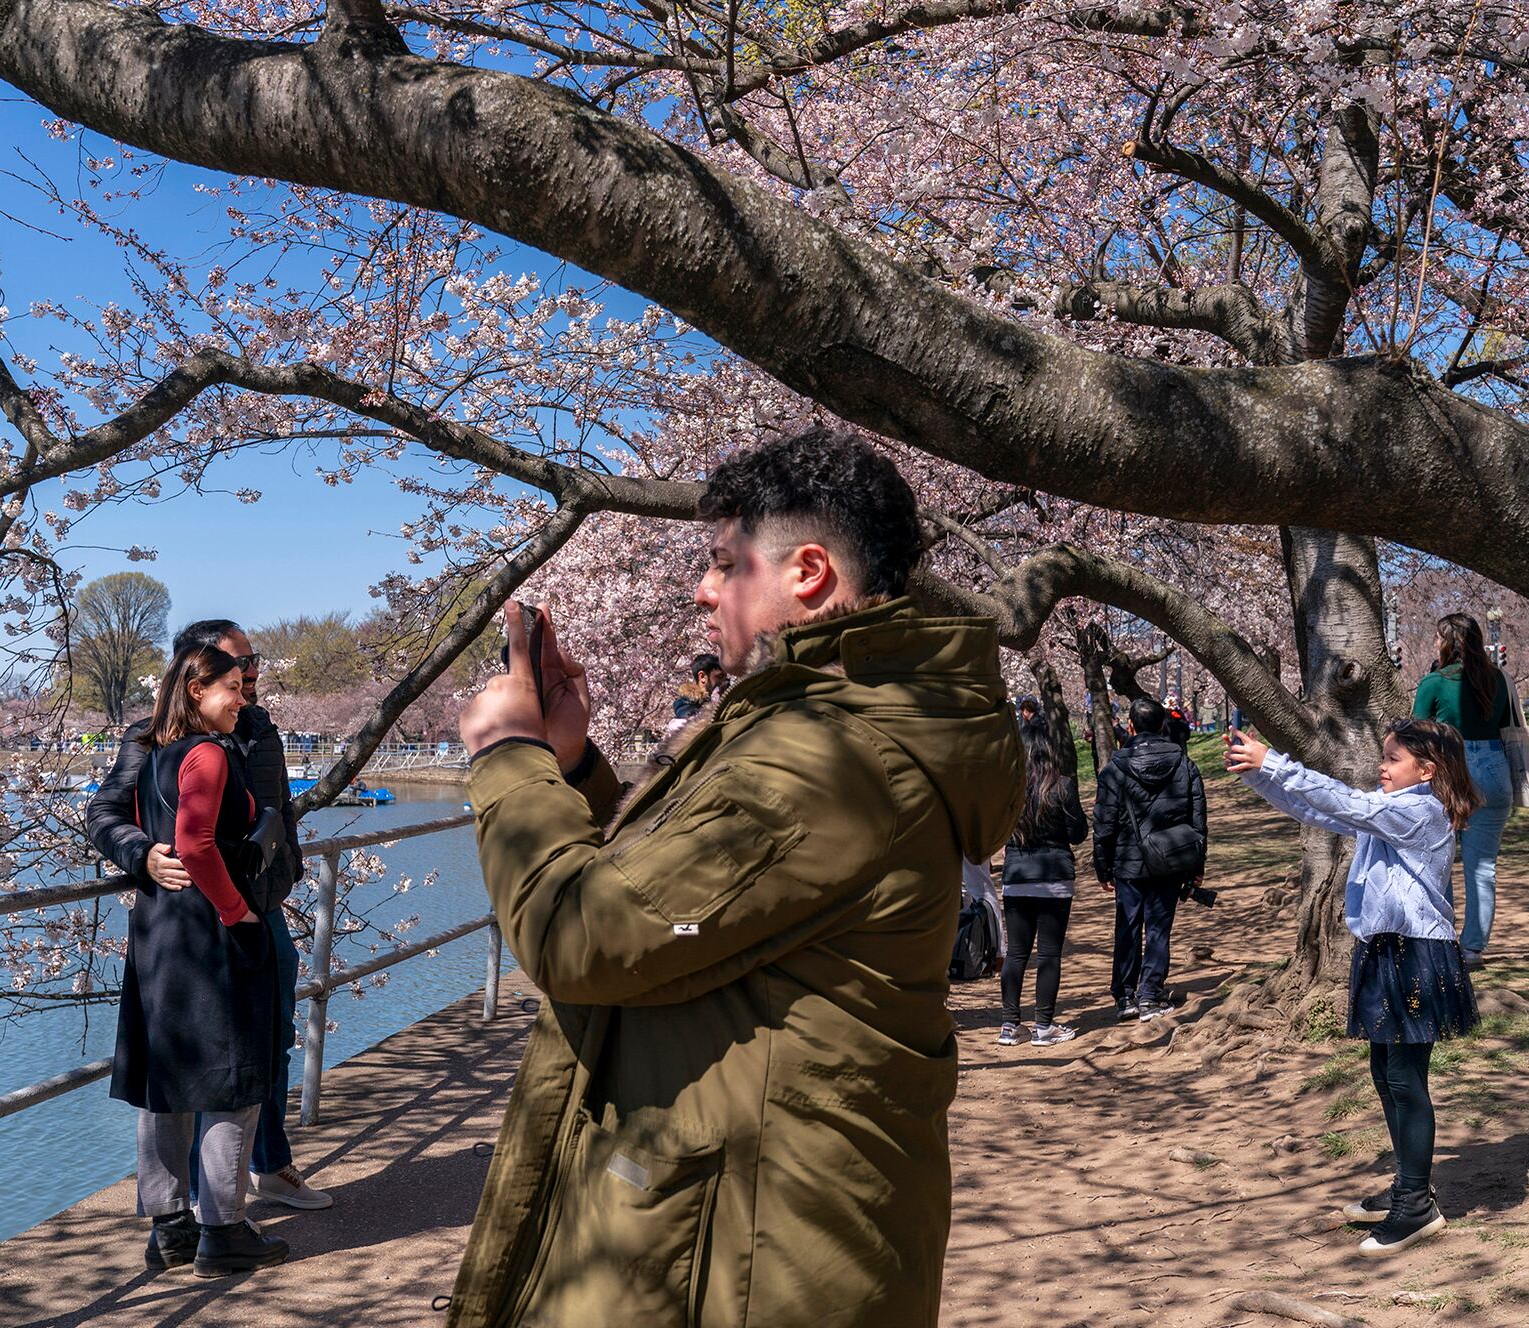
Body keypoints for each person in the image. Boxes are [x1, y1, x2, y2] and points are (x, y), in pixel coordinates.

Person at [448, 427, 1024, 1328]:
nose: (702, 589)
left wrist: (509, 759)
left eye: (724, 564)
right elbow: (689, 895)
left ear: (808, 572)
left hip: (748, 1258)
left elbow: (581, 936)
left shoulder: (830, 756)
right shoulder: (821, 725)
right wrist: (574, 768)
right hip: (750, 1230)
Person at [88, 621, 331, 1212]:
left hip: (262, 909)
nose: (253, 670)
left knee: (270, 1044)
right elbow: (104, 811)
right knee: (200, 1057)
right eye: (239, 662)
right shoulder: (150, 737)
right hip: (198, 923)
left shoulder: (259, 727)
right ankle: (204, 1202)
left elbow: (279, 809)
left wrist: (284, 868)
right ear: (198, 671)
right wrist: (141, 854)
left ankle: (269, 1165)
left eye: (254, 660)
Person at [1227, 719, 1480, 1261]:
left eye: (1392, 759)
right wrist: (1258, 774)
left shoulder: (1421, 811)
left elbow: (1348, 804)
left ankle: (1417, 1206)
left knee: (1405, 1079)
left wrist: (1275, 763)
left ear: (1427, 770)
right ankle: (1408, 1185)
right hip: (1386, 949)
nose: (1381, 767)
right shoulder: (1393, 807)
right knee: (1386, 1074)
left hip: (1415, 954)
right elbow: (1324, 811)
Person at [108, 645, 289, 1277]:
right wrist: (238, 912)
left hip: (161, 931)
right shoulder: (208, 753)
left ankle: (170, 1229)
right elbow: (195, 842)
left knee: (169, 1080)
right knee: (233, 1081)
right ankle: (223, 1231)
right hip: (212, 935)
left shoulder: (158, 754)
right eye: (232, 687)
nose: (242, 697)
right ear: (196, 691)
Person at [1094, 697, 1208, 1020]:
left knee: (1127, 927)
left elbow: (1104, 825)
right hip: (1170, 859)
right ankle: (1149, 994)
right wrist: (1197, 865)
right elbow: (1198, 819)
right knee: (1158, 928)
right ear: (1162, 725)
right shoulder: (1185, 764)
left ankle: (1125, 996)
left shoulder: (1114, 770)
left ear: (1130, 726)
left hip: (1128, 861)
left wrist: (1102, 866)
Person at [1412, 612, 1514, 966]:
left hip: (1451, 771)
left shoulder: (1434, 682)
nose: (1434, 642)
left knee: (1439, 861)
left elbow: (1416, 732)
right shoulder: (1497, 679)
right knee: (1482, 867)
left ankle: (1443, 938)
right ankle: (1473, 948)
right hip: (1495, 768)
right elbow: (1505, 723)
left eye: (1438, 637)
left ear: (1447, 642)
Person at [997, 719, 1088, 1047]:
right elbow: (1078, 834)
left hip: (1017, 877)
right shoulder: (1062, 786)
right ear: (1050, 750)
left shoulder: (1008, 789)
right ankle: (1044, 1026)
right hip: (1054, 877)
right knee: (1049, 953)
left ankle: (1009, 1025)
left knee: (1016, 953)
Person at [671, 651, 727, 724]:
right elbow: (694, 723)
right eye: (720, 676)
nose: (724, 682)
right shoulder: (685, 703)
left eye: (725, 678)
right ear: (702, 677)